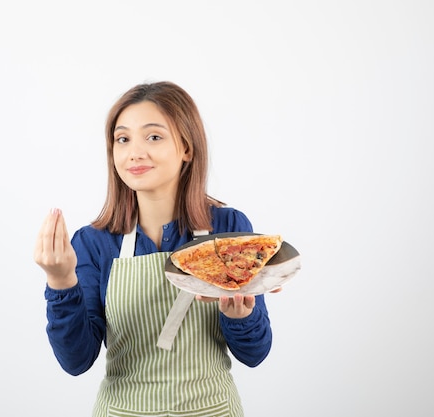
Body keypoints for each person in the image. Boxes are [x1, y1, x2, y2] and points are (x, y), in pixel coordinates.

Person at [34, 81, 275, 416]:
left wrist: (241, 315)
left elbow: (256, 354)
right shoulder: (93, 243)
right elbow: (76, 361)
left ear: (187, 148)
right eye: (123, 139)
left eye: (154, 137)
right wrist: (60, 282)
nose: (134, 152)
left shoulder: (229, 229)